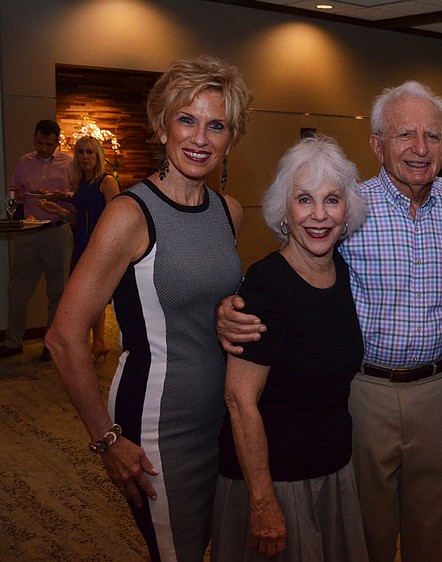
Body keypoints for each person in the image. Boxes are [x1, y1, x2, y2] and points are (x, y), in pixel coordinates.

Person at [217, 80, 442, 562]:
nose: (420, 148)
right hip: (362, 392)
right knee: (361, 533)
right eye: (404, 135)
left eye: (432, 136)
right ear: (377, 145)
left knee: (436, 531)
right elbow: (291, 270)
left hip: (440, 392)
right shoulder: (350, 205)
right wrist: (231, 306)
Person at [46, 55, 251, 561]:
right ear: (161, 127)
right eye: (187, 120)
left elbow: (205, 300)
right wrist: (105, 440)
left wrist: (229, 314)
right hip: (161, 427)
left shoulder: (229, 212)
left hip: (224, 417)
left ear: (230, 139)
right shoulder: (129, 214)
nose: (201, 138)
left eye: (217, 125)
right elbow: (63, 337)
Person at [211, 135, 369, 562]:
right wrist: (263, 503)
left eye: (332, 200)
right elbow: (239, 400)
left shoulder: (342, 273)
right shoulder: (267, 286)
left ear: (347, 210)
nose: (319, 215)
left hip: (332, 472)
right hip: (276, 483)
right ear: (284, 210)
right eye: (304, 200)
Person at [38, 135, 121, 362]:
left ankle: (96, 343)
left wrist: (107, 247)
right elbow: (80, 216)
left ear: (98, 155)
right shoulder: (83, 184)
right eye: (81, 152)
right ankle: (99, 343)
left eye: (89, 152)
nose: (85, 157)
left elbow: (116, 217)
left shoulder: (107, 181)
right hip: (82, 243)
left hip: (99, 246)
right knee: (92, 296)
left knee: (91, 296)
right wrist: (58, 211)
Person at [0, 119, 74, 360]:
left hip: (57, 231)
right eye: (39, 143)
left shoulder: (69, 163)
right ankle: (13, 341)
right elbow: (13, 191)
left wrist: (61, 195)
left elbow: (77, 194)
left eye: (49, 145)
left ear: (56, 142)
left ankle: (51, 345)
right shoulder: (24, 162)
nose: (43, 148)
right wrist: (17, 196)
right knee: (18, 291)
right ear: (34, 138)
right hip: (29, 232)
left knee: (58, 292)